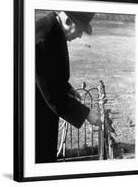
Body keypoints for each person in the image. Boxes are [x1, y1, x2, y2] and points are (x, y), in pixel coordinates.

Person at [35, 10, 101, 163]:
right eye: (80, 29)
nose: (79, 36)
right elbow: (51, 93)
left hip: (43, 110)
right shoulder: (43, 37)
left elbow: (49, 73)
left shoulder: (53, 31)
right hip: (34, 118)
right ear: (68, 21)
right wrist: (86, 114)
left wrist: (66, 88)